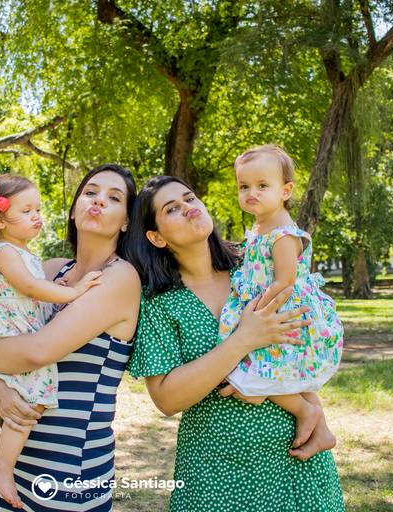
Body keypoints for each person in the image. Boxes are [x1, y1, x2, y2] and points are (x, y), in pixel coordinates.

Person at [126, 175, 345, 511]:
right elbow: (167, 399)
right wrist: (241, 342)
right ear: (156, 237)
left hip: (296, 458)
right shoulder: (159, 301)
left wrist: (316, 417)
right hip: (217, 470)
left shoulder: (254, 264)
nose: (188, 208)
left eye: (190, 198)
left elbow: (294, 345)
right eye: (172, 208)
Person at [0, 164, 141, 511]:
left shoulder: (120, 277)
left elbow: (35, 352)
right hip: (16, 459)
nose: (99, 201)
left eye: (114, 197)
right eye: (90, 192)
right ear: (74, 209)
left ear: (125, 221)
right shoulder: (48, 271)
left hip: (70, 467)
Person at [219, 144, 344, 450]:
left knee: (255, 375)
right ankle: (322, 429)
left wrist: (256, 314)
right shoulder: (260, 227)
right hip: (270, 309)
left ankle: (306, 411)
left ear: (285, 191)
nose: (252, 192)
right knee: (288, 373)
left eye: (263, 186)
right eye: (244, 186)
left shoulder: (283, 234)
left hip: (280, 310)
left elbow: (285, 281)